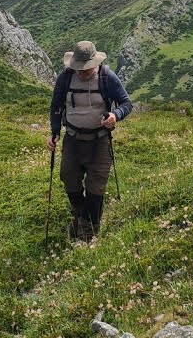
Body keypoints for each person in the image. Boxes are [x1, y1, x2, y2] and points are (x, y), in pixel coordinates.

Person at [47, 40, 132, 242]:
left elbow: (126, 103)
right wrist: (54, 131)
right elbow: (56, 105)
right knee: (69, 179)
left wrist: (115, 115)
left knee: (96, 187)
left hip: (99, 140)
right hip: (73, 139)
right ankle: (82, 215)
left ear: (95, 63)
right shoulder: (66, 78)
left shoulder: (107, 77)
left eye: (85, 69)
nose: (82, 72)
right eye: (79, 68)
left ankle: (86, 234)